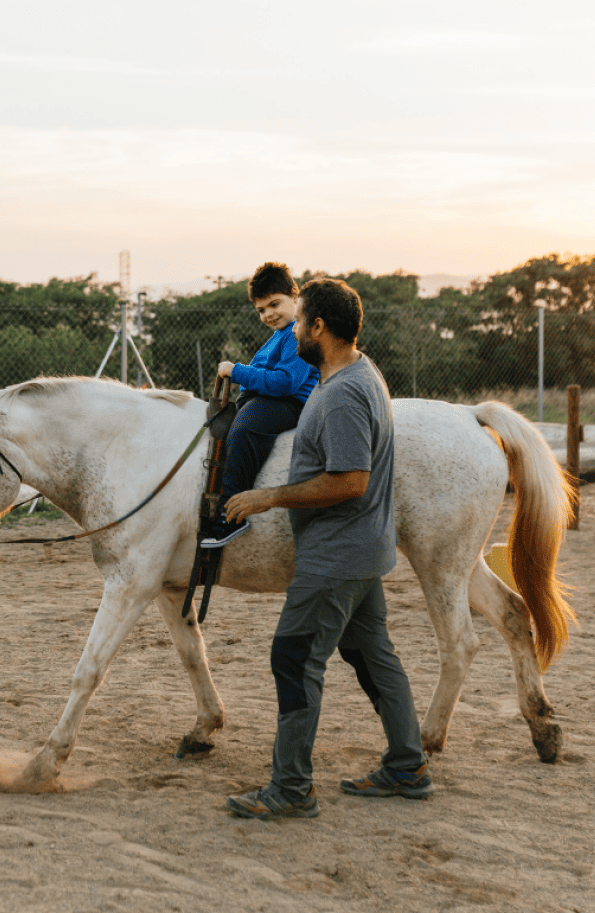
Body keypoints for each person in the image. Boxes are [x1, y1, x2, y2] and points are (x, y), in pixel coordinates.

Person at [222, 277, 433, 821]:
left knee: (293, 659)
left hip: (337, 554)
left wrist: (268, 496)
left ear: (318, 327)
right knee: (372, 655)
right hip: (361, 550)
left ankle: (290, 788)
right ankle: (407, 765)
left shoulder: (343, 393)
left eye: (297, 321)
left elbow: (350, 480)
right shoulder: (350, 372)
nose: (291, 329)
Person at [199, 262, 319, 548]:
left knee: (245, 429)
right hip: (270, 399)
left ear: (295, 296)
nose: (268, 314)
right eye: (261, 310)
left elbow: (286, 382)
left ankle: (231, 515)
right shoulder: (278, 335)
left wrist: (237, 371)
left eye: (275, 304)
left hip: (291, 402)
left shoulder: (296, 334)